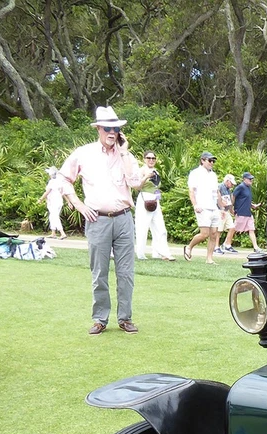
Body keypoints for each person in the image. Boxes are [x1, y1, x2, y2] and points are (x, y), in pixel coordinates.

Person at [58, 106, 151, 334]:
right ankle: (100, 318)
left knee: (126, 273)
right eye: (108, 127)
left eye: (116, 128)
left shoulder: (125, 155)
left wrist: (125, 152)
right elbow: (63, 178)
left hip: (123, 219)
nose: (113, 132)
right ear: (99, 128)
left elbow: (136, 182)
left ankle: (125, 318)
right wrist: (79, 205)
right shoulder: (84, 153)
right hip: (97, 219)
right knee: (99, 272)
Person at [183, 152, 224, 264]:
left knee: (214, 234)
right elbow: (191, 191)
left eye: (213, 161)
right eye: (210, 160)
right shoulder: (195, 173)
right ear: (202, 160)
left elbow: (216, 192)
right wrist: (195, 205)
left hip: (213, 207)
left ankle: (209, 259)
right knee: (204, 234)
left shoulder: (213, 175)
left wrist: (221, 208)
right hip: (202, 207)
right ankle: (189, 247)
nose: (212, 163)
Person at [134, 150, 175, 261]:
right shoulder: (141, 170)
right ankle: (141, 253)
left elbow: (157, 187)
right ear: (144, 159)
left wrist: (158, 199)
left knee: (160, 227)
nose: (151, 160)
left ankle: (161, 252)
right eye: (149, 158)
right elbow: (137, 187)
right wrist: (146, 177)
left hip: (154, 200)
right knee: (142, 227)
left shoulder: (156, 171)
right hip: (144, 198)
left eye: (153, 158)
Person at [225, 171, 262, 252]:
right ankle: (226, 244)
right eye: (249, 179)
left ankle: (256, 248)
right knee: (234, 229)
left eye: (252, 179)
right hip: (241, 212)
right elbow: (233, 196)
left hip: (248, 213)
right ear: (244, 179)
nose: (251, 180)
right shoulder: (241, 187)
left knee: (251, 229)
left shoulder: (248, 188)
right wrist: (231, 208)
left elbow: (245, 199)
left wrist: (253, 205)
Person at [37, 167, 67, 239]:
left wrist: (40, 199)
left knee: (55, 216)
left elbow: (47, 191)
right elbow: (63, 193)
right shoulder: (60, 181)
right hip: (58, 201)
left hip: (54, 201)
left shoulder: (52, 182)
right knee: (52, 216)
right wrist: (68, 202)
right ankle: (53, 233)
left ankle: (62, 233)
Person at [216, 174, 237, 255]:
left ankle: (227, 245)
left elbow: (229, 202)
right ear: (227, 181)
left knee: (232, 227)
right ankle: (216, 247)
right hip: (220, 211)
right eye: (231, 183)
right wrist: (221, 209)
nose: (232, 185)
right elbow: (217, 199)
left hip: (226, 211)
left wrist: (232, 212)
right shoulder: (220, 187)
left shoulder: (228, 190)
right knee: (219, 230)